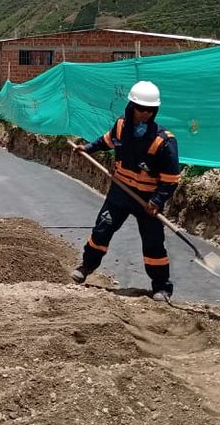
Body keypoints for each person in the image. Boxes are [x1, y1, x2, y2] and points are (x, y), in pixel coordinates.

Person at [70, 80, 181, 301]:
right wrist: (89, 148)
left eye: (151, 110)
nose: (145, 114)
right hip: (120, 192)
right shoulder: (121, 127)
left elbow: (170, 180)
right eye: (141, 109)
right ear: (131, 107)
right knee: (102, 230)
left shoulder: (164, 142)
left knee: (153, 243)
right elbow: (106, 141)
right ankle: (86, 267)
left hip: (147, 200)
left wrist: (157, 201)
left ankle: (161, 287)